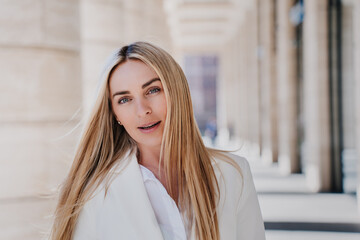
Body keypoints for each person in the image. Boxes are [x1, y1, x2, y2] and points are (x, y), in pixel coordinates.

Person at [50, 42, 265, 240]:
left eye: (152, 90)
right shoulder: (94, 194)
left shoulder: (234, 174)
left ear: (175, 92)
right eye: (124, 99)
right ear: (115, 114)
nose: (142, 110)